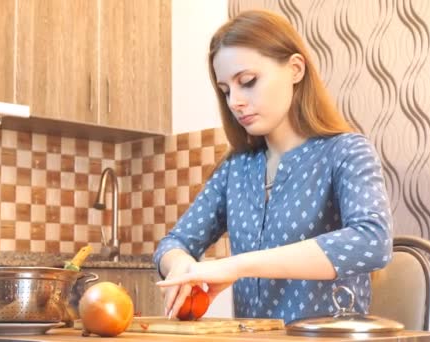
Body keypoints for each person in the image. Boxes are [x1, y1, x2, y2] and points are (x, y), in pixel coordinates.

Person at [153, 9, 393, 323]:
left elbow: (372, 242)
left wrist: (235, 265)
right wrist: (180, 265)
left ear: (295, 69)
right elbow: (173, 243)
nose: (234, 101)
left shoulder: (346, 151)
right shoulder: (236, 168)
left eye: (248, 82)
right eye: (226, 91)